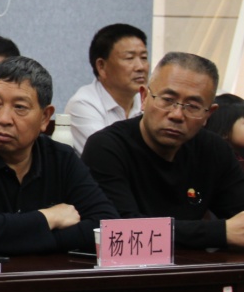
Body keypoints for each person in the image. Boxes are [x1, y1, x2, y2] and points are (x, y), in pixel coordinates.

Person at [0, 56, 117, 255]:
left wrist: (28, 238)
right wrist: (48, 218)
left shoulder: (62, 158)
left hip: (45, 274)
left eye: (19, 107)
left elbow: (107, 227)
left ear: (45, 117)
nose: (3, 119)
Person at [82, 53, 244, 250]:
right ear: (144, 97)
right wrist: (220, 232)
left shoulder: (214, 150)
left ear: (208, 115)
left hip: (194, 265)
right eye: (167, 100)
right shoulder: (106, 148)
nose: (177, 115)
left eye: (193, 106)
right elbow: (121, 232)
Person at [65, 23, 149, 153]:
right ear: (101, 66)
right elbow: (108, 156)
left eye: (144, 58)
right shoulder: (83, 104)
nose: (141, 67)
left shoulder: (148, 100)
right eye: (129, 58)